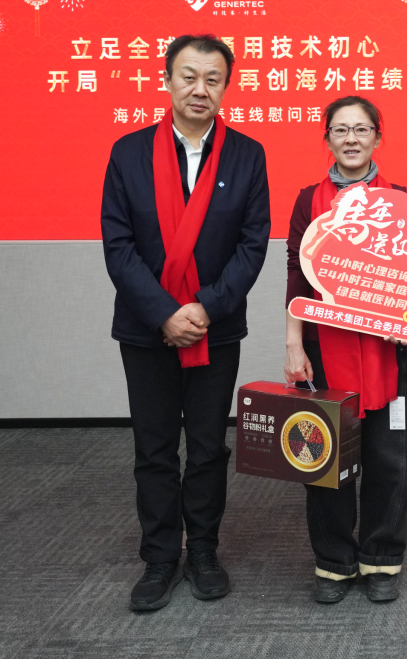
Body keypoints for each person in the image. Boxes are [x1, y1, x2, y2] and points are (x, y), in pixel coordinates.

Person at [101, 34, 271, 611]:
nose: (201, 89)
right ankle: (158, 558)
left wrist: (205, 308)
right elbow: (118, 245)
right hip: (145, 329)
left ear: (226, 86)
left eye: (213, 79)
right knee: (153, 448)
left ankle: (202, 551)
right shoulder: (128, 152)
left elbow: (252, 245)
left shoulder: (247, 154)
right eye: (189, 76)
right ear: (167, 80)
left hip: (213, 329)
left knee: (206, 447)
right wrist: (164, 314)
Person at [284, 96, 407, 605]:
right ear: (327, 139)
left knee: (389, 459)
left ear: (378, 138)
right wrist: (293, 343)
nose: (351, 139)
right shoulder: (308, 201)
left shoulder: (400, 199)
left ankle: (381, 558)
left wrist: (406, 314)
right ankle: (334, 561)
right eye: (340, 130)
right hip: (325, 347)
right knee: (325, 458)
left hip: (387, 351)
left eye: (361, 129)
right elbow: (297, 274)